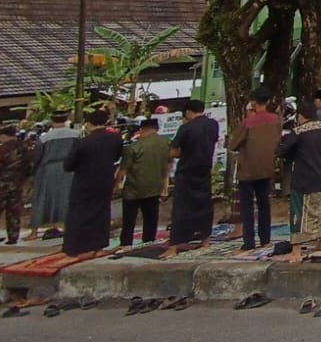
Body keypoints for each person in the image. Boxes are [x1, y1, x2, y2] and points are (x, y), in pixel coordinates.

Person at [61, 108, 123, 256]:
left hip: (84, 181)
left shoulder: (83, 142)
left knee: (79, 214)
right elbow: (116, 157)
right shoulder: (115, 138)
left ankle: (80, 247)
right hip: (105, 179)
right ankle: (99, 245)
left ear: (89, 123)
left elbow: (68, 165)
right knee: (101, 212)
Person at [277, 101, 321, 257]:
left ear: (301, 116)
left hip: (304, 177)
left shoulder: (298, 132)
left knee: (299, 213)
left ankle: (296, 251)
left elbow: (282, 151)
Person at [228, 89, 282, 249]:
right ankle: (265, 239)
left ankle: (249, 242)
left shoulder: (248, 123)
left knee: (247, 207)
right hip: (266, 167)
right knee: (264, 204)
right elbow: (277, 139)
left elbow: (234, 144)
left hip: (248, 170)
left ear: (254, 103)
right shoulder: (275, 119)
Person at [169, 99, 220, 246]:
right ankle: (205, 239)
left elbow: (173, 152)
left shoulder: (186, 128)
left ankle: (176, 244)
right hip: (204, 168)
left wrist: (184, 152)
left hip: (187, 171)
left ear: (188, 113)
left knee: (181, 208)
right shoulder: (213, 125)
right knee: (205, 204)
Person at [115, 117, 172, 247]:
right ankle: (148, 242)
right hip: (154, 186)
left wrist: (116, 185)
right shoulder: (166, 143)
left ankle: (125, 244)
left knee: (129, 220)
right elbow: (169, 162)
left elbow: (123, 170)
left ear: (142, 130)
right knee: (151, 217)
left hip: (134, 188)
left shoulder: (135, 146)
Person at [30, 111, 80, 238]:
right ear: (66, 119)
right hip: (69, 169)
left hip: (48, 170)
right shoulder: (76, 134)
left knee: (42, 198)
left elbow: (37, 156)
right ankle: (67, 227)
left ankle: (34, 232)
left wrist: (33, 171)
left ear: (52, 121)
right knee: (67, 197)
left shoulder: (45, 137)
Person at [0, 126, 34, 249]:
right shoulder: (25, 149)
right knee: (14, 213)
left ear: (4, 136)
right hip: (17, 185)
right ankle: (13, 237)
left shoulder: (0, 150)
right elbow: (30, 168)